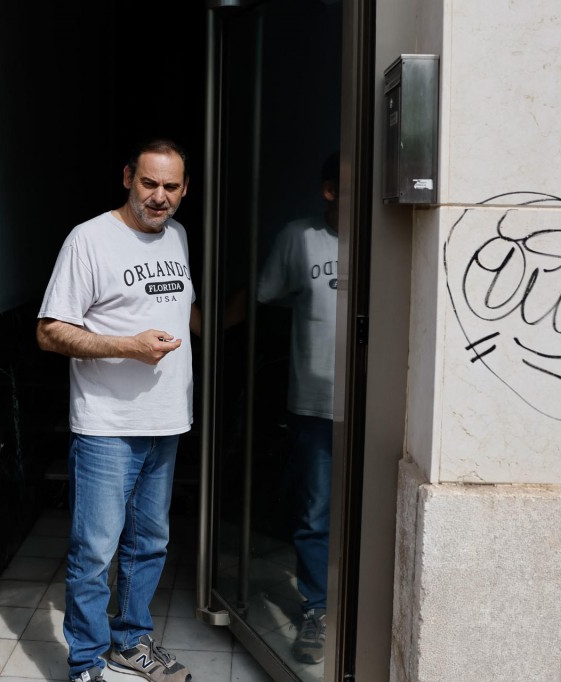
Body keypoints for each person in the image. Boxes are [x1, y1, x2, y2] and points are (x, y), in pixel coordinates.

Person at [36, 138, 197, 682]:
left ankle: (131, 641)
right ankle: (85, 663)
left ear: (184, 189)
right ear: (128, 177)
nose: (159, 197)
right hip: (107, 425)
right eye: (148, 183)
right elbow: (50, 331)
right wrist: (128, 345)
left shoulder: (177, 236)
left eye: (170, 186)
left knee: (149, 543)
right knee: (95, 552)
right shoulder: (89, 239)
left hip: (167, 420)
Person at [256, 151, 339, 665]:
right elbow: (267, 295)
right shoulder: (300, 237)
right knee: (316, 512)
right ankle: (318, 609)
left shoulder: (388, 239)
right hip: (314, 403)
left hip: (377, 408)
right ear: (330, 191)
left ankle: (366, 605)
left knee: (371, 513)